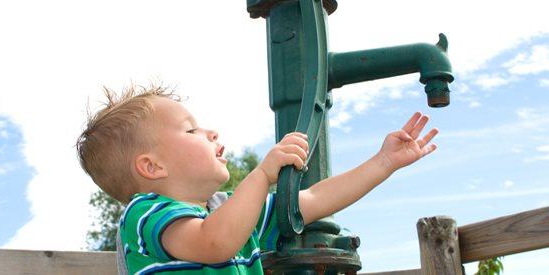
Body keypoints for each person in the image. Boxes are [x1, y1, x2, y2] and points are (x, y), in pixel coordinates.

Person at [76, 84, 439, 274]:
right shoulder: (146, 214)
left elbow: (314, 201)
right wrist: (263, 175)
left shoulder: (227, 210)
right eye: (191, 130)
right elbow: (213, 243)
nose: (211, 132)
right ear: (152, 167)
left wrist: (383, 163)